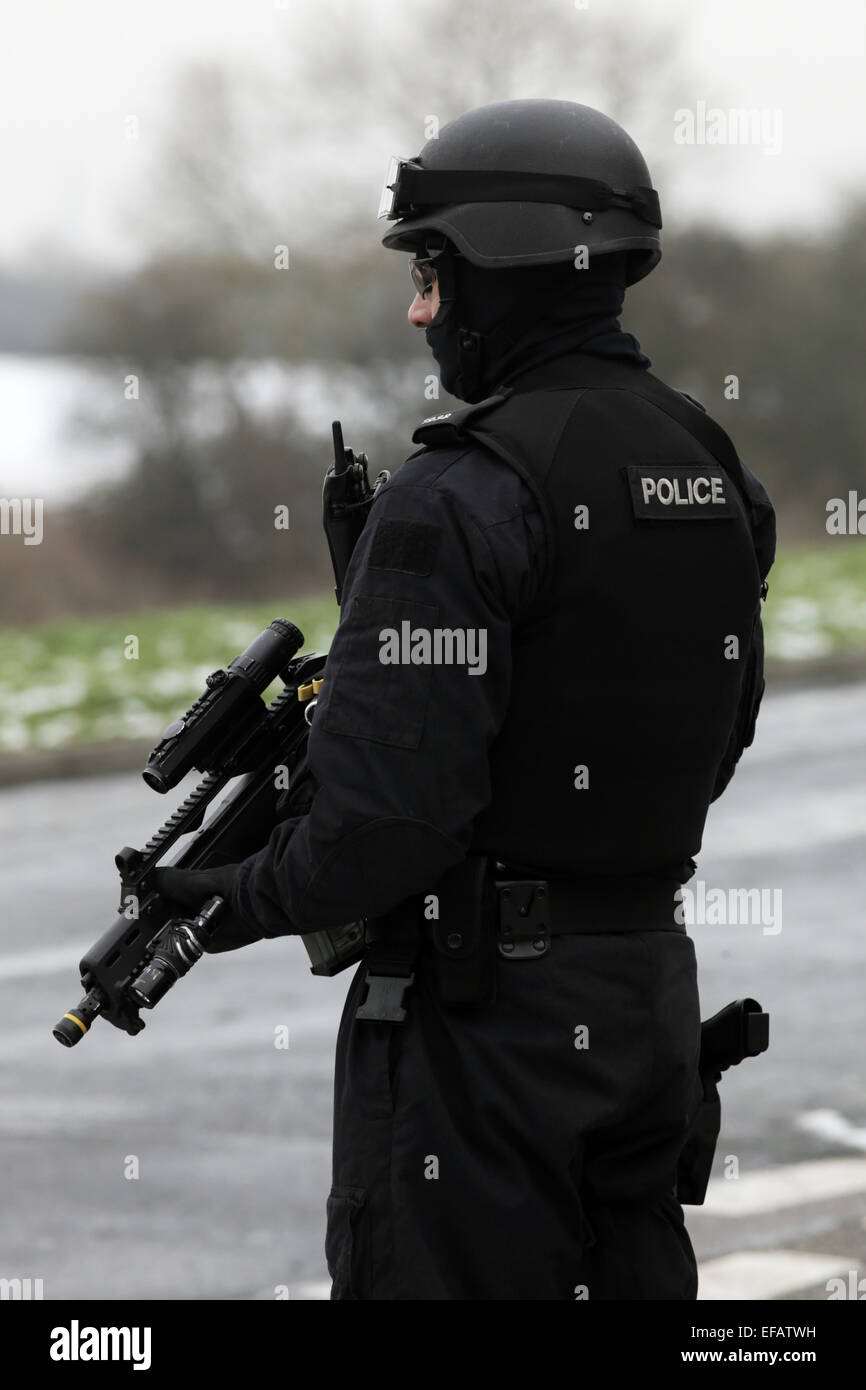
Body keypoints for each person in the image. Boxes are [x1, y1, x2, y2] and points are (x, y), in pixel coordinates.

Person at [157, 98, 776, 1300]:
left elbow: (384, 829)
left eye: (434, 277)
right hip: (643, 1004)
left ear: (503, 269)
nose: (419, 311)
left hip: (482, 1043)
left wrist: (218, 899)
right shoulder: (709, 466)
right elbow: (699, 725)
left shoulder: (459, 493)